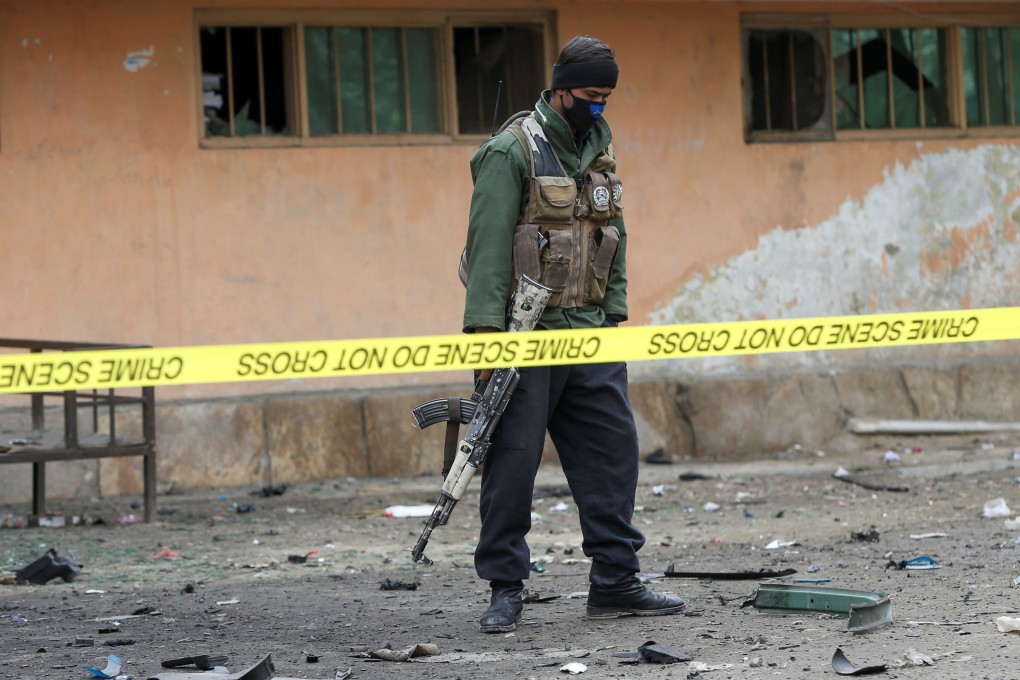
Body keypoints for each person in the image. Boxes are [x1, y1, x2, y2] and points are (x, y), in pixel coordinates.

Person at [460, 35, 686, 633]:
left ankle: (615, 580)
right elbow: (487, 253)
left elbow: (614, 237)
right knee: (513, 465)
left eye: (607, 96)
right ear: (561, 90)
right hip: (525, 337)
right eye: (590, 94)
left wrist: (613, 318)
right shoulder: (512, 150)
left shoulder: (600, 150)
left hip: (589, 333)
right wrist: (485, 342)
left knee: (613, 456)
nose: (598, 105)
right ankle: (505, 587)